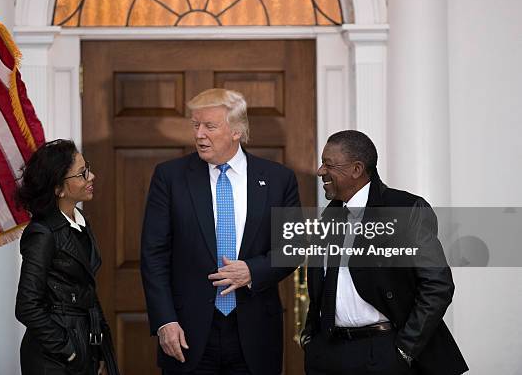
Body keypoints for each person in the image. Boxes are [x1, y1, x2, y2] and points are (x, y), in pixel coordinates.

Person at [140, 88, 300, 375]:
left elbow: (293, 247)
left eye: (209, 126)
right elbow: (153, 255)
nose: (199, 134)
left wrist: (253, 270)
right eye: (195, 125)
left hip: (254, 332)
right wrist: (165, 320)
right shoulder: (170, 177)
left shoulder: (278, 179)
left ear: (237, 131)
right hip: (186, 332)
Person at [302, 130, 468, 375]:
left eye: (328, 164)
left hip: (383, 353)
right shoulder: (329, 216)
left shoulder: (404, 209)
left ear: (356, 169)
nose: (320, 171)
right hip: (328, 354)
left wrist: (404, 350)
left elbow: (438, 286)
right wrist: (310, 338)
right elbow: (323, 284)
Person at [15, 139, 119, 375]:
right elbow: (27, 306)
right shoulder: (42, 233)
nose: (92, 177)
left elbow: (86, 293)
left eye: (88, 168)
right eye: (82, 174)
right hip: (53, 361)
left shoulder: (80, 220)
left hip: (85, 350)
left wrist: (98, 350)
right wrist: (69, 350)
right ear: (58, 188)